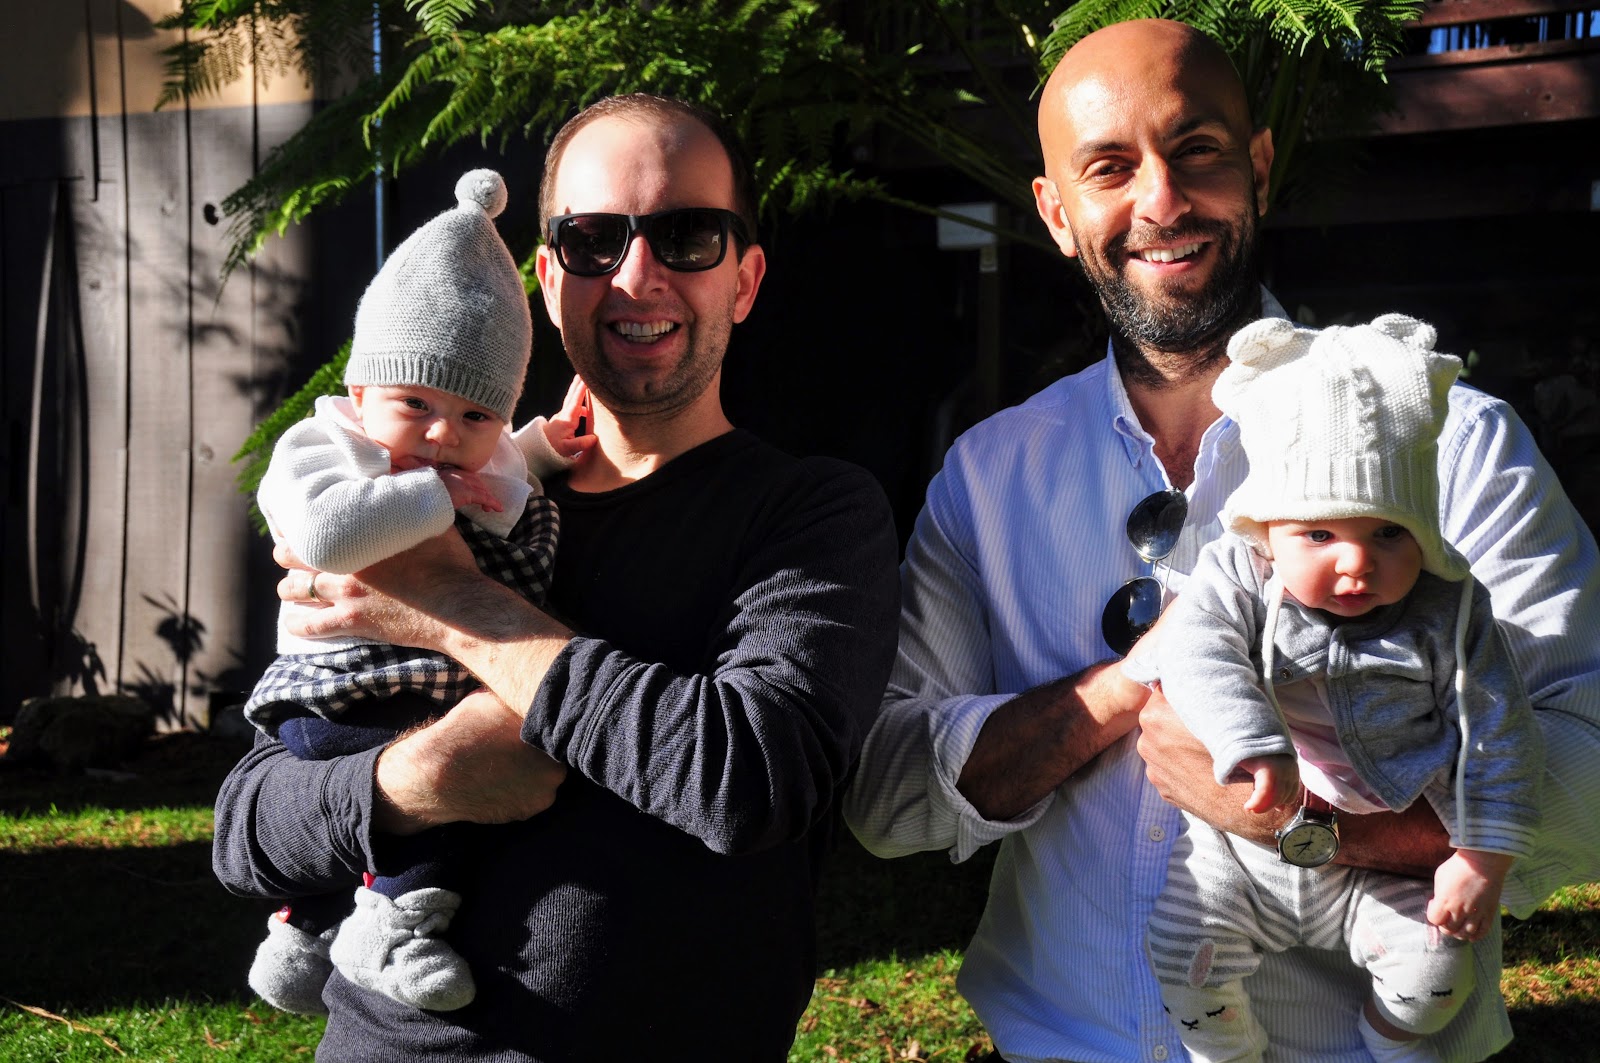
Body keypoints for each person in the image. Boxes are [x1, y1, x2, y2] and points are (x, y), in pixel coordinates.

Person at [843, 17, 1600, 1063]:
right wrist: (1118, 693)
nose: (1161, 200)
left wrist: (1305, 825)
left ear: (1258, 168)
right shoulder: (990, 475)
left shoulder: (1447, 440)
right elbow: (887, 794)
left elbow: (1588, 763)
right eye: (1110, 167)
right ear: (1057, 213)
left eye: (1196, 149)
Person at [211, 94, 901, 1061]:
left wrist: (455, 604)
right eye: (593, 240)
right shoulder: (417, 495)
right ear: (547, 277)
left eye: (688, 237)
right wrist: (415, 782)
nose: (637, 275)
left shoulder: (811, 514)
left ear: (745, 280)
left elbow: (751, 780)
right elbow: (244, 830)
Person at [1126, 313, 1541, 1062]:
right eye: (1319, 535)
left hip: (1384, 849)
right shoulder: (1240, 574)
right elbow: (1196, 652)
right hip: (1238, 855)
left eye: (1389, 533)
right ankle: (1227, 1052)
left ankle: (1392, 1043)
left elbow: (1497, 728)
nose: (1356, 563)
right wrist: (1253, 741)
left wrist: (1484, 855)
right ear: (1267, 528)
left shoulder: (1449, 610)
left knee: (1437, 973)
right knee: (1184, 949)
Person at [240, 169, 591, 1016]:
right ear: (361, 391)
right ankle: (392, 921)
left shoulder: (475, 456)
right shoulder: (322, 447)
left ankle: (301, 933)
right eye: (414, 402)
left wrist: (542, 445)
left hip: (414, 680)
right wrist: (435, 495)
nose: (441, 434)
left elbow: (503, 470)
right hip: (337, 688)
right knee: (454, 788)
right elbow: (326, 536)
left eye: (476, 416)